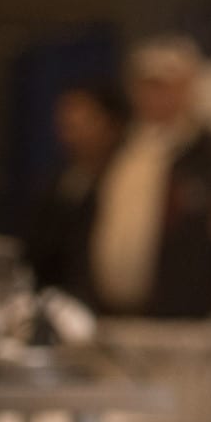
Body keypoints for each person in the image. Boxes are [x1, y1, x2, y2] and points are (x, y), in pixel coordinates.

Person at [90, 37, 211, 318]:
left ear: (188, 90)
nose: (154, 97)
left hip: (176, 311)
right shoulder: (122, 148)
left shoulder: (206, 155)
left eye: (164, 87)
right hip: (112, 308)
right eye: (146, 87)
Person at [26, 82, 128, 304]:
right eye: (67, 125)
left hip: (116, 304)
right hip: (64, 303)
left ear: (112, 125)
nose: (74, 135)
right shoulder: (59, 183)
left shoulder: (131, 181)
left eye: (85, 123)